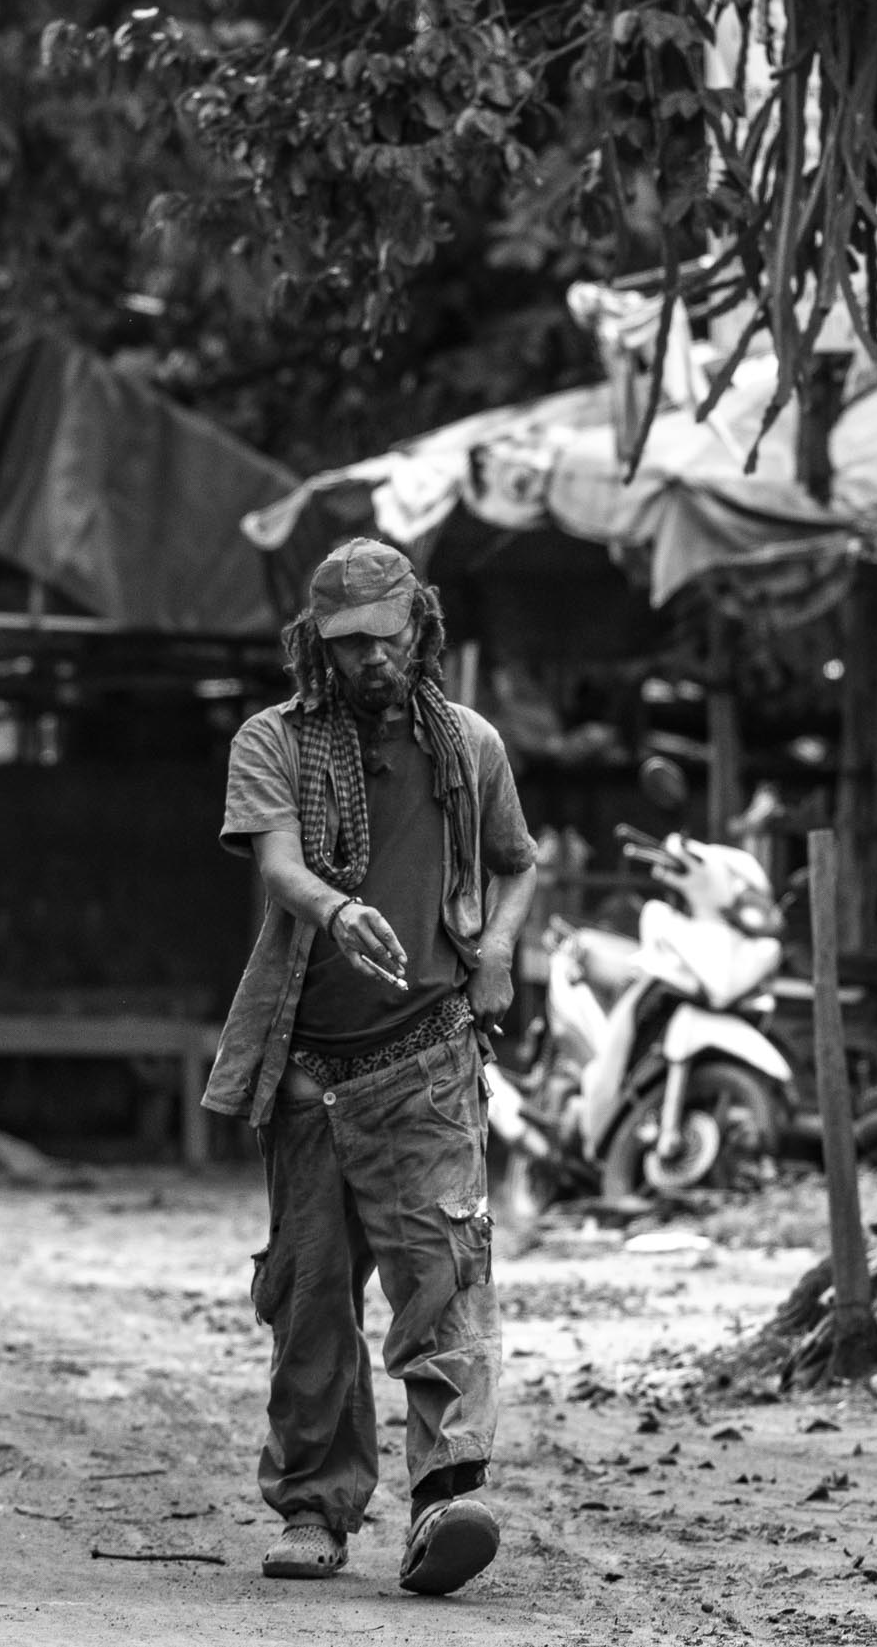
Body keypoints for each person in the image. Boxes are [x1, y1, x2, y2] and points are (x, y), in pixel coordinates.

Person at [204, 537, 538, 1596]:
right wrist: (338, 911)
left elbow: (519, 865)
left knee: (442, 1282)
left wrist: (494, 951)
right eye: (346, 645)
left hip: (430, 1061)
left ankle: (446, 1503)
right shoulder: (273, 740)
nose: (369, 661)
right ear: (317, 644)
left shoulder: (470, 746)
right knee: (309, 1301)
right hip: (304, 1070)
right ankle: (314, 1509)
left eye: (386, 639)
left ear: (421, 628)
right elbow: (278, 865)